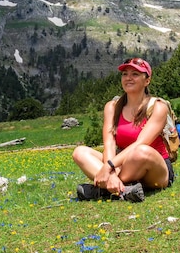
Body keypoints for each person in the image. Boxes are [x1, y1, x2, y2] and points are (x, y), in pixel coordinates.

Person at [72, 57, 174, 202]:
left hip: (154, 168)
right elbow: (109, 144)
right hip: (121, 166)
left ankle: (104, 190)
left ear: (147, 81)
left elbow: (141, 143)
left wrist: (109, 168)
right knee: (80, 152)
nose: (128, 78)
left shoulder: (158, 107)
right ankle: (123, 189)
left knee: (141, 151)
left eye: (135, 74)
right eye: (125, 74)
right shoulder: (112, 107)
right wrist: (111, 172)